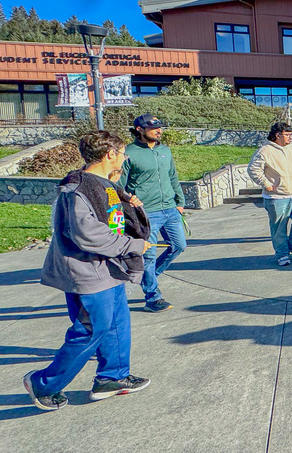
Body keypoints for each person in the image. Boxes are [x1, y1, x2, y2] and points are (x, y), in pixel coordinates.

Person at [23, 131, 154, 411]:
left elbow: (111, 219)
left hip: (108, 269)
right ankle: (43, 383)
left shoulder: (103, 184)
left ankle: (113, 378)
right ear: (110, 154)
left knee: (117, 324)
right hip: (87, 273)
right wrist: (132, 245)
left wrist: (130, 206)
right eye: (122, 154)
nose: (124, 159)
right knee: (90, 330)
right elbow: (88, 235)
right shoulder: (78, 188)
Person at [119, 113, 185, 313]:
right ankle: (152, 297)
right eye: (153, 128)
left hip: (170, 209)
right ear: (139, 129)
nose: (159, 131)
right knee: (148, 256)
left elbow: (172, 176)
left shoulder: (165, 150)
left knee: (179, 246)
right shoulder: (129, 153)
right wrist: (129, 203)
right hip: (147, 213)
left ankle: (150, 277)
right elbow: (119, 185)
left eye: (160, 128)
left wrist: (180, 201)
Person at [248, 123, 292, 266]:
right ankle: (282, 253)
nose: (290, 137)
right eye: (287, 135)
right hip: (277, 197)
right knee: (279, 227)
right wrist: (266, 184)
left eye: (290, 134)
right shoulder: (265, 151)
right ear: (277, 135)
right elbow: (253, 169)